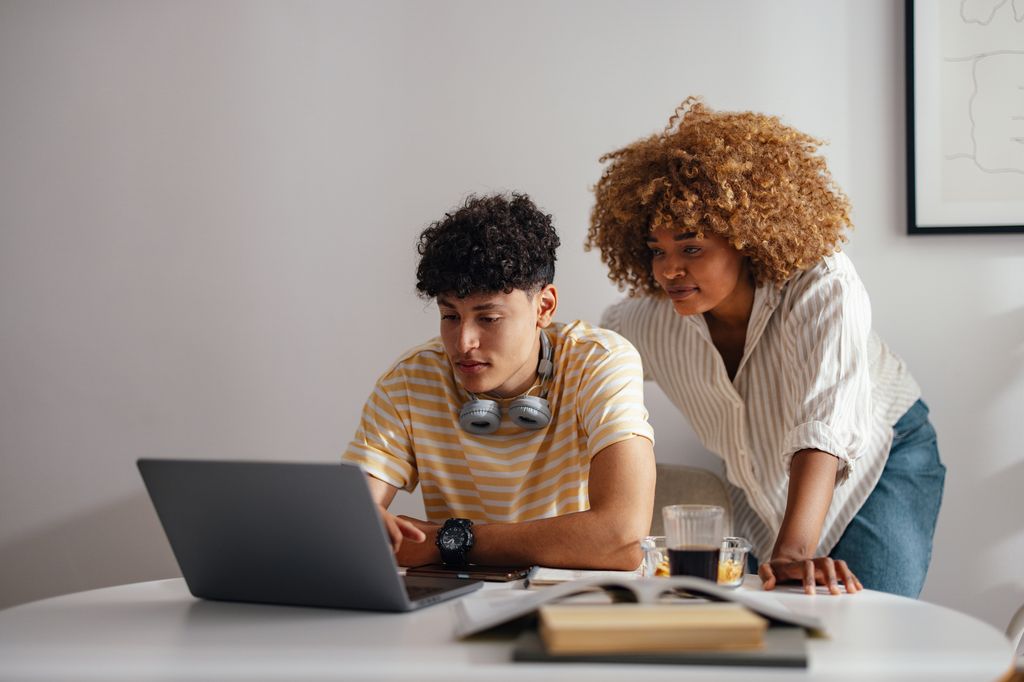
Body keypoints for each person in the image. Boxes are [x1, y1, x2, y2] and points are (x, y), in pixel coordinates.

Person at [585, 97, 945, 597]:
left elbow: (827, 421)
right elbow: (583, 373)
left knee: (866, 626)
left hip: (881, 460)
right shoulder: (642, 322)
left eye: (691, 247)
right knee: (776, 640)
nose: (669, 270)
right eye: (657, 251)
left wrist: (794, 552)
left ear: (746, 238)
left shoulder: (822, 285)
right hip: (763, 488)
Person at [343, 193, 656, 570]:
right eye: (450, 316)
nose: (463, 343)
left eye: (488, 319)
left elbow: (623, 538)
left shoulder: (598, 361)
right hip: (455, 603)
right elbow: (347, 520)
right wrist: (357, 523)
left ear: (544, 308)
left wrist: (448, 542)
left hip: (569, 600)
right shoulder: (411, 380)